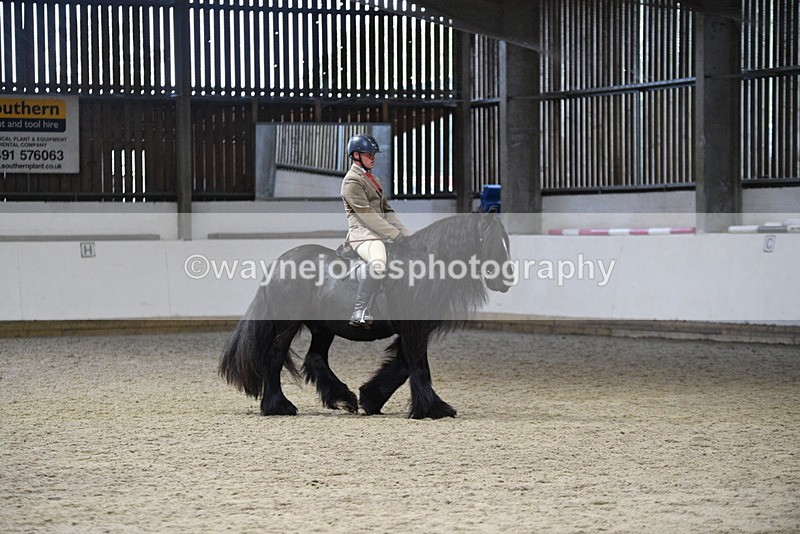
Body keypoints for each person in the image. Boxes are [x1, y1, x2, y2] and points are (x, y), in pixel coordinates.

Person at [341, 133, 411, 328]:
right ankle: (359, 310)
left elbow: (387, 211)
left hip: (380, 234)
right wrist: (394, 234)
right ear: (355, 155)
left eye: (374, 154)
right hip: (363, 235)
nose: (373, 157)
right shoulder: (351, 181)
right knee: (379, 262)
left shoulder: (374, 179)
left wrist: (406, 233)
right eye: (368, 154)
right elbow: (367, 215)